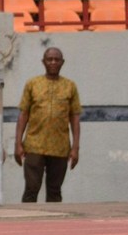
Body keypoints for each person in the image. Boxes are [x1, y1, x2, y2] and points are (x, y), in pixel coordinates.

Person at [14, 47, 81, 203]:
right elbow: (23, 114)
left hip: (60, 147)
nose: (53, 62)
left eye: (56, 59)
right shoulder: (32, 84)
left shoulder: (70, 86)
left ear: (62, 62)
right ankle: (28, 218)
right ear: (43, 62)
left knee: (55, 191)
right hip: (34, 145)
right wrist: (18, 144)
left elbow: (75, 117)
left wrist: (75, 148)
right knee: (31, 188)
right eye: (49, 59)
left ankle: (54, 218)